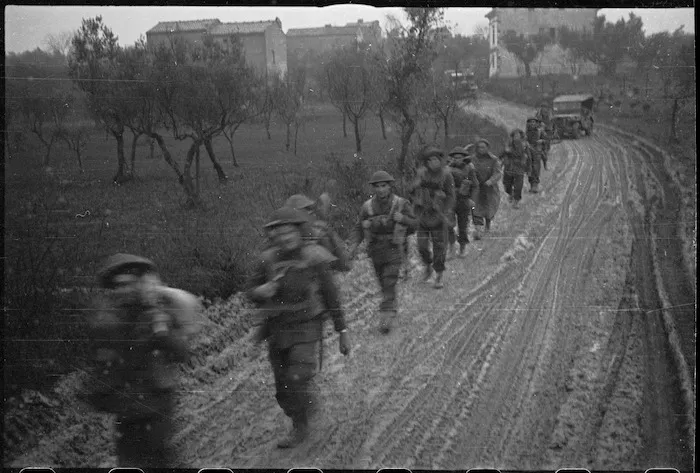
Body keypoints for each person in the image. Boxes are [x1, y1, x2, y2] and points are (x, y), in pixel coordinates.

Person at [248, 207, 351, 448]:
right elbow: (249, 290)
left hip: (307, 324)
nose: (285, 238)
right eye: (279, 232)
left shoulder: (315, 257)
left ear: (300, 231)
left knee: (298, 374)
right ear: (272, 235)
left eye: (290, 231)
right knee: (283, 389)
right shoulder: (267, 259)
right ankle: (301, 412)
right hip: (277, 328)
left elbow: (331, 296)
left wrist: (342, 332)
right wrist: (259, 291)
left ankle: (300, 427)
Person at [87, 253, 200, 467]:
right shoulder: (110, 321)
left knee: (159, 460)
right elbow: (102, 365)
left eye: (128, 284)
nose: (122, 290)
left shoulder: (158, 314)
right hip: (126, 410)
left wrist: (162, 333)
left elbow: (182, 353)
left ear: (139, 284)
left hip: (156, 405)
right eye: (117, 286)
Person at [348, 170, 417, 333]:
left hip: (395, 248)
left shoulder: (401, 204)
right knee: (383, 283)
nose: (380, 190)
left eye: (384, 186)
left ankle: (385, 317)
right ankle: (390, 305)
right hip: (375, 250)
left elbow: (415, 225)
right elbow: (358, 228)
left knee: (389, 281)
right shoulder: (367, 207)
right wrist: (352, 246)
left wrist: (404, 220)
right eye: (377, 187)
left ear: (390, 186)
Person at [409, 145, 455, 289]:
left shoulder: (446, 175)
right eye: (429, 160)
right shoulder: (421, 173)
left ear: (440, 160)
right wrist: (415, 189)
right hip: (423, 214)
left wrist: (447, 210)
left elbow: (451, 195)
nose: (433, 163)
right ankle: (427, 265)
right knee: (422, 246)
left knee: (439, 248)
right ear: (426, 162)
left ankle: (439, 275)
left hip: (439, 215)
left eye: (435, 159)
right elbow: (411, 190)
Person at [285, 193, 351, 273]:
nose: (310, 212)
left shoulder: (319, 228)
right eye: (307, 209)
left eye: (309, 209)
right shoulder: (318, 230)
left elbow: (341, 254)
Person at [446, 145, 479, 257]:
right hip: (450, 201)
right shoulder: (447, 169)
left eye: (459, 157)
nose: (457, 159)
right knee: (448, 225)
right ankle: (451, 246)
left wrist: (472, 199)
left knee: (462, 226)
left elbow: (475, 185)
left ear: (464, 157)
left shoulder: (469, 168)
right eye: (455, 157)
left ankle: (462, 248)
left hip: (464, 200)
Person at [471, 138, 502, 240]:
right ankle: (478, 230)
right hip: (477, 188)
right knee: (476, 207)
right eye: (479, 147)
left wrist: (491, 181)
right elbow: (470, 171)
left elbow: (497, 173)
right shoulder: (473, 159)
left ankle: (487, 225)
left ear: (487, 148)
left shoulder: (493, 159)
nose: (481, 149)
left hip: (490, 189)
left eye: (483, 147)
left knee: (489, 208)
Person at [501, 129, 532, 209]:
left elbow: (529, 157)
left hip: (520, 168)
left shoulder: (525, 146)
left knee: (518, 186)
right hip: (509, 167)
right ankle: (510, 194)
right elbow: (502, 155)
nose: (516, 138)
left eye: (518, 136)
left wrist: (529, 168)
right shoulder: (508, 145)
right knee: (507, 185)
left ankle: (516, 200)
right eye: (515, 136)